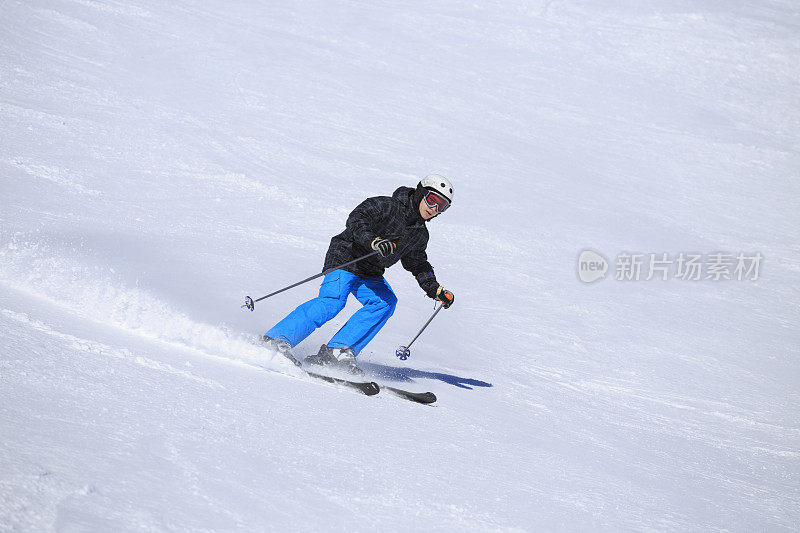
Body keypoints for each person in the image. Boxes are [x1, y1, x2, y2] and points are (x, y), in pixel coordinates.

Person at [262, 174, 456, 375]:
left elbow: (418, 263)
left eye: (442, 206)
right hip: (346, 257)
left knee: (385, 302)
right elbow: (357, 219)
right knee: (333, 301)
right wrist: (374, 241)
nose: (434, 209)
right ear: (420, 194)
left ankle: (337, 351)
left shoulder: (419, 234)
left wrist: (435, 289)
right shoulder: (387, 206)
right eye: (432, 200)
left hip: (370, 271)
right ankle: (276, 339)